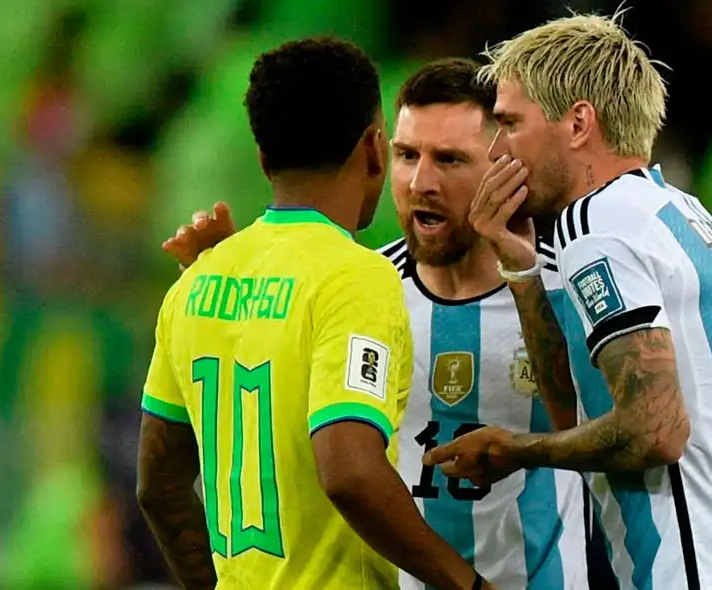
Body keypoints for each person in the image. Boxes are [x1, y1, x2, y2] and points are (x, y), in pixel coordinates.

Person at [161, 58, 614, 590]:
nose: (422, 182)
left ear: (501, 166)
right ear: (380, 154)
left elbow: (608, 439)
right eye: (407, 156)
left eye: (449, 159)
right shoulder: (358, 289)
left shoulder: (563, 285)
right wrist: (229, 270)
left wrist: (522, 276)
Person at [421, 14, 712, 589]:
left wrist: (517, 451)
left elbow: (656, 430)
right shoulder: (679, 214)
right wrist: (522, 268)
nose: (497, 149)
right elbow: (581, 413)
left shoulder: (596, 224)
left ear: (578, 122)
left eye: (510, 123)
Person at [136, 38, 492, 590]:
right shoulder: (356, 278)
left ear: (263, 159)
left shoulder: (196, 282)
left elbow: (157, 486)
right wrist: (467, 584)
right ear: (376, 149)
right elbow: (350, 471)